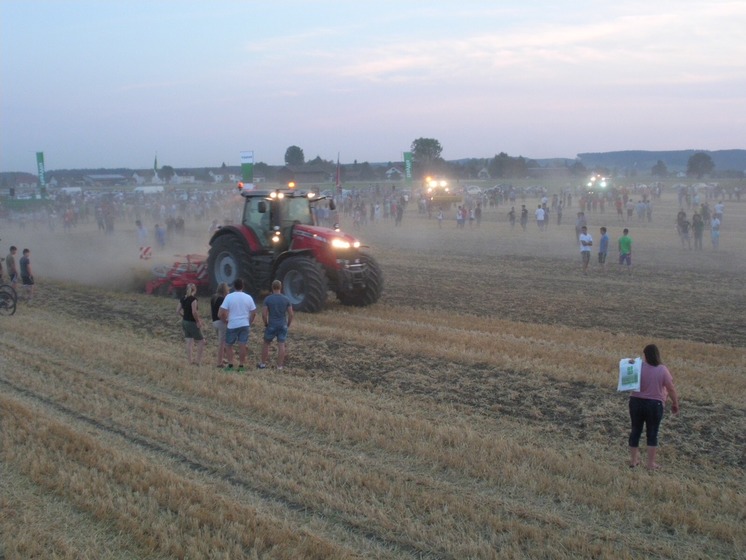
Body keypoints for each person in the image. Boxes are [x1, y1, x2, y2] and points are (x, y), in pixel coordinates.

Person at [628, 344, 680, 470]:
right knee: (652, 433)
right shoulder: (662, 370)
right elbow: (671, 389)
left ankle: (633, 461)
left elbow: (627, 370)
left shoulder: (637, 366)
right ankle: (650, 464)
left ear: (645, 355)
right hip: (654, 405)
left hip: (635, 402)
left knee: (635, 431)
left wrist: (630, 363)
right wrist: (675, 403)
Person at [218, 277, 257, 370]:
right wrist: (249, 321)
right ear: (242, 286)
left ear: (234, 286)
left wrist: (225, 320)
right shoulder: (248, 297)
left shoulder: (229, 297)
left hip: (232, 324)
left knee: (228, 345)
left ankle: (230, 365)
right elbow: (254, 312)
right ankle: (241, 366)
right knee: (242, 345)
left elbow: (220, 313)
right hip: (244, 324)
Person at [258, 280, 294, 370]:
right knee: (281, 345)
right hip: (282, 325)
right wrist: (288, 324)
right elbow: (291, 314)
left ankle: (262, 364)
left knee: (266, 343)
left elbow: (264, 314)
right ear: (281, 287)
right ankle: (279, 366)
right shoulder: (286, 299)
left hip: (272, 325)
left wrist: (266, 323)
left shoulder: (268, 299)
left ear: (272, 287)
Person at [177, 283, 205, 365]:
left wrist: (184, 316)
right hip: (192, 323)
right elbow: (194, 312)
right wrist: (198, 321)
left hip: (184, 322)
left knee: (189, 342)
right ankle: (198, 362)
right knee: (202, 341)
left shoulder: (183, 298)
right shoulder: (193, 299)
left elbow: (177, 311)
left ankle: (190, 361)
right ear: (195, 290)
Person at [210, 282, 230, 368]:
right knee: (222, 344)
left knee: (222, 343)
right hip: (221, 322)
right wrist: (226, 321)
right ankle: (219, 363)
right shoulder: (222, 299)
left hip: (214, 322)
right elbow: (222, 313)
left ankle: (222, 359)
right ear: (225, 290)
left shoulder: (213, 297)